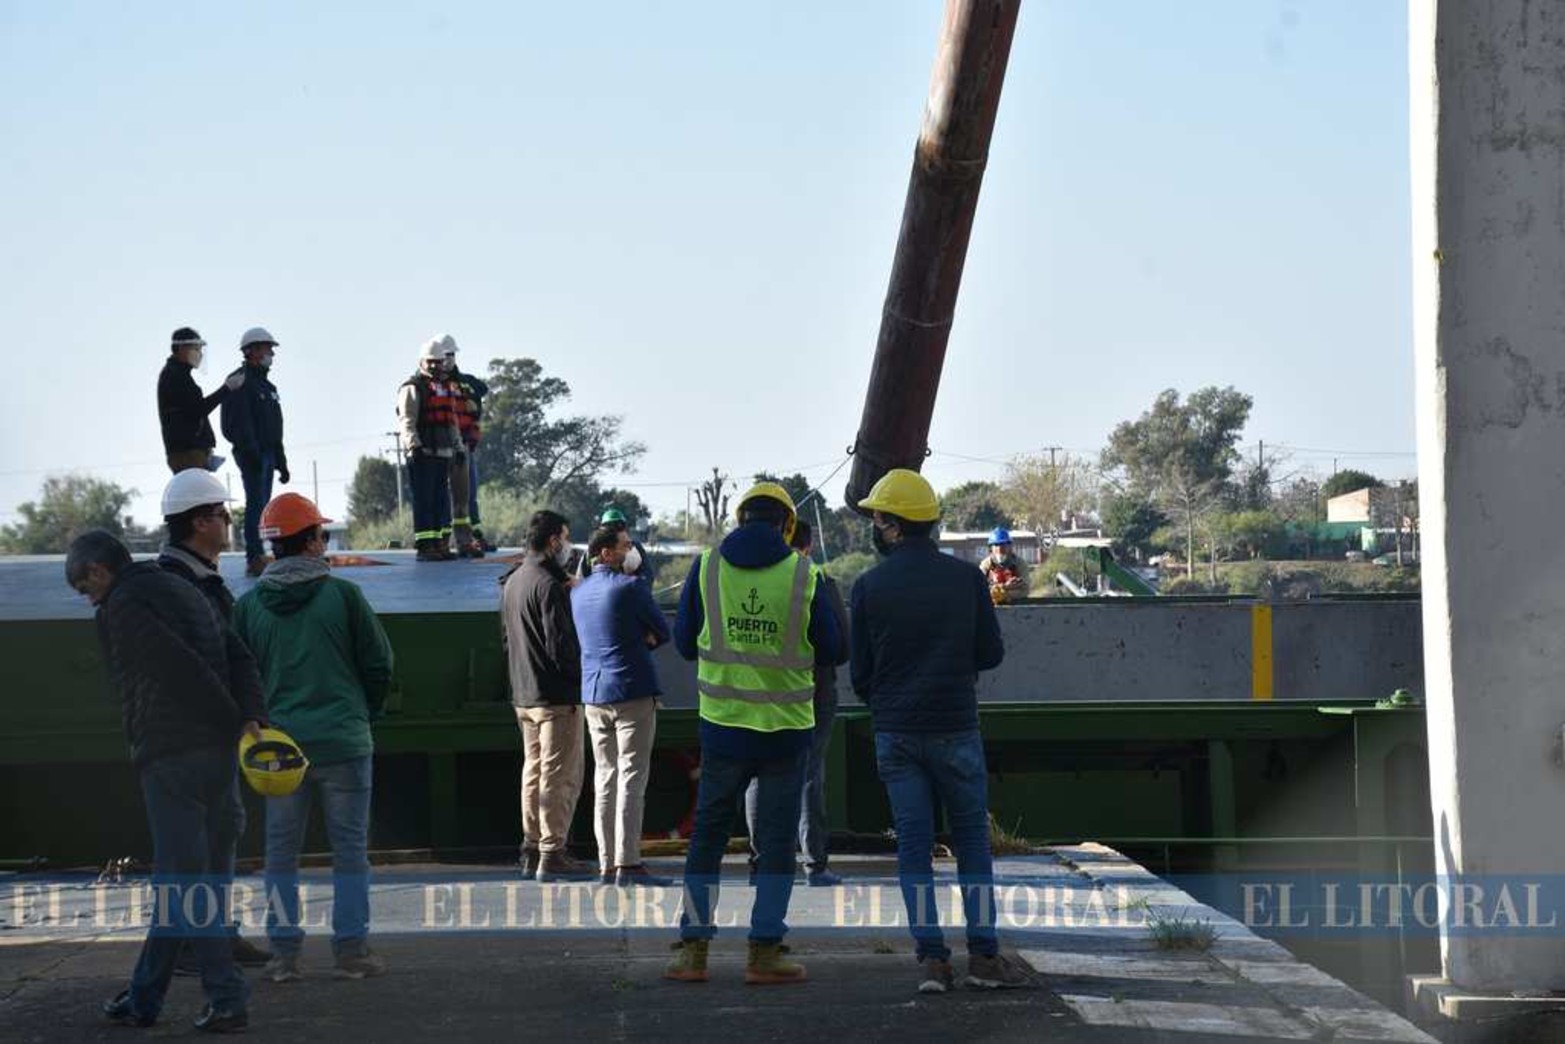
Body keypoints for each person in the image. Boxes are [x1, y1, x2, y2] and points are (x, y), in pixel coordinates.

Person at [67, 530, 261, 1032]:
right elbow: (238, 653)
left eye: (84, 588)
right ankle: (144, 996)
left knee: (185, 886)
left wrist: (225, 715)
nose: (88, 600)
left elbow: (177, 668)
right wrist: (247, 719)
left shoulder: (124, 605)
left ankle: (226, 997)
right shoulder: (185, 588)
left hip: (171, 757)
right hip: (218, 758)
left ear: (97, 571)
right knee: (188, 883)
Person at [851, 469, 1028, 994]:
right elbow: (990, 653)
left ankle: (932, 961)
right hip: (955, 726)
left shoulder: (868, 587)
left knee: (914, 845)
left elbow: (860, 675)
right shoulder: (967, 579)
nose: (875, 524)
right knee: (972, 842)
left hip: (898, 731)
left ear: (891, 526)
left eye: (877, 516)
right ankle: (985, 959)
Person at [664, 483, 842, 986]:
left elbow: (682, 643)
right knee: (777, 842)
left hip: (722, 730)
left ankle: (692, 952)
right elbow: (830, 647)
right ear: (787, 524)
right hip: (785, 734)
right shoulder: (804, 574)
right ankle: (764, 953)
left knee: (708, 838)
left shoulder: (707, 567)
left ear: (741, 518)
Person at [231, 493, 394, 983]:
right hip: (344, 742)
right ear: (309, 542)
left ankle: (284, 957)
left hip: (281, 752)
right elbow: (379, 663)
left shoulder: (249, 607)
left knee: (280, 853)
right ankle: (351, 953)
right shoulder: (343, 596)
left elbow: (239, 677)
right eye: (321, 534)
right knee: (350, 851)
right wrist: (364, 713)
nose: (325, 542)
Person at [157, 469, 274, 971]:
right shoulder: (170, 586)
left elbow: (233, 655)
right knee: (187, 845)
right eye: (224, 515)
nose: (230, 523)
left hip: (218, 734)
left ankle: (217, 935)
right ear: (201, 522)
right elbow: (187, 667)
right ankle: (187, 945)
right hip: (186, 740)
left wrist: (249, 714)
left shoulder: (202, 582)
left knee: (223, 830)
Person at [743, 519, 848, 887]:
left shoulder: (751, 579)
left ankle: (762, 862)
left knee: (757, 775)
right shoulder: (816, 579)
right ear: (808, 547)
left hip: (758, 692)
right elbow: (840, 647)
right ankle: (815, 864)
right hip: (813, 694)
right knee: (809, 775)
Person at [572, 525, 672, 887]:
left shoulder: (578, 593)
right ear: (605, 554)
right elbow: (663, 631)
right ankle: (629, 863)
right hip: (632, 690)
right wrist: (640, 638)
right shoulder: (632, 588)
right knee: (632, 775)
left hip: (594, 693)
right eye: (626, 546)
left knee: (604, 778)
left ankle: (606, 863)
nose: (633, 552)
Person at [501, 510, 590, 881]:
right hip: (556, 698)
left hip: (524, 694)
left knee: (533, 772)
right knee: (560, 775)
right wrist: (583, 678)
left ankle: (531, 846)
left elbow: (506, 640)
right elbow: (561, 647)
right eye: (566, 538)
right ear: (553, 540)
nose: (568, 546)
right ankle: (553, 852)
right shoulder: (549, 586)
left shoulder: (515, 581)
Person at [220, 326, 288, 577]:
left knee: (263, 506)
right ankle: (254, 557)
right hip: (252, 455)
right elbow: (236, 424)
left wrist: (281, 461)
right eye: (267, 348)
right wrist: (252, 452)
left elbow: (276, 427)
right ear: (252, 350)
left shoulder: (267, 386)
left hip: (268, 453)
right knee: (256, 504)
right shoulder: (240, 381)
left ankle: (260, 553)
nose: (272, 353)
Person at [396, 338, 460, 562]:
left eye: (438, 362)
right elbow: (407, 421)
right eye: (430, 362)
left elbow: (451, 422)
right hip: (422, 453)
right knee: (424, 501)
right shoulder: (413, 388)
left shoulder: (444, 388)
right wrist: (414, 446)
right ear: (422, 362)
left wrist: (458, 448)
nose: (434, 366)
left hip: (443, 454)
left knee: (441, 502)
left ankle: (441, 544)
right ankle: (425, 546)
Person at [158, 327, 243, 473]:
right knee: (196, 495)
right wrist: (226, 389)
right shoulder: (174, 376)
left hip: (192, 452)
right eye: (195, 348)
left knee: (201, 494)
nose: (200, 354)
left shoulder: (180, 375)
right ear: (180, 348)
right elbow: (198, 410)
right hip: (186, 453)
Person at [441, 334, 493, 553]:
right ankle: (441, 540)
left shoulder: (467, 383)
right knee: (442, 495)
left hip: (465, 447)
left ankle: (473, 537)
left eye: (451, 354)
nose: (447, 359)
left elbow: (483, 389)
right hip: (441, 448)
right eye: (444, 355)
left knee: (469, 494)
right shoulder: (427, 385)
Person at [575, 507, 655, 585]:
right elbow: (580, 579)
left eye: (619, 526)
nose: (615, 529)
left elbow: (647, 575)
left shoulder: (635, 547)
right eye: (610, 526)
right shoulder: (591, 550)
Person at [977, 528, 1029, 602]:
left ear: (1010, 546)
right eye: (996, 545)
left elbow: (1025, 590)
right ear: (990, 548)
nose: (1000, 548)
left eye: (1003, 544)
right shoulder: (985, 565)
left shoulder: (1019, 563)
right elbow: (978, 589)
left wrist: (1004, 594)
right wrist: (1005, 587)